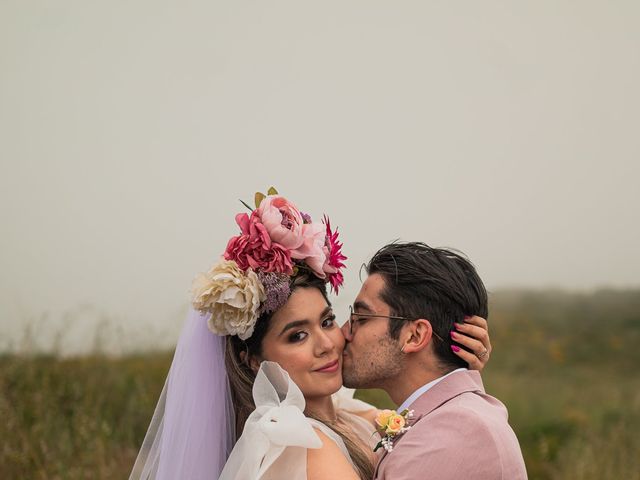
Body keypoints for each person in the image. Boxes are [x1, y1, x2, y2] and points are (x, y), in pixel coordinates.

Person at [128, 190, 492, 480]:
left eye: (328, 321)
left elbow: (437, 426)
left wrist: (453, 366)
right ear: (253, 360)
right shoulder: (300, 445)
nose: (327, 344)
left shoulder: (351, 417)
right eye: (297, 336)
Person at [341, 242, 527, 479]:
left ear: (415, 335)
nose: (344, 331)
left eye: (361, 317)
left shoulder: (451, 434)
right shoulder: (453, 418)